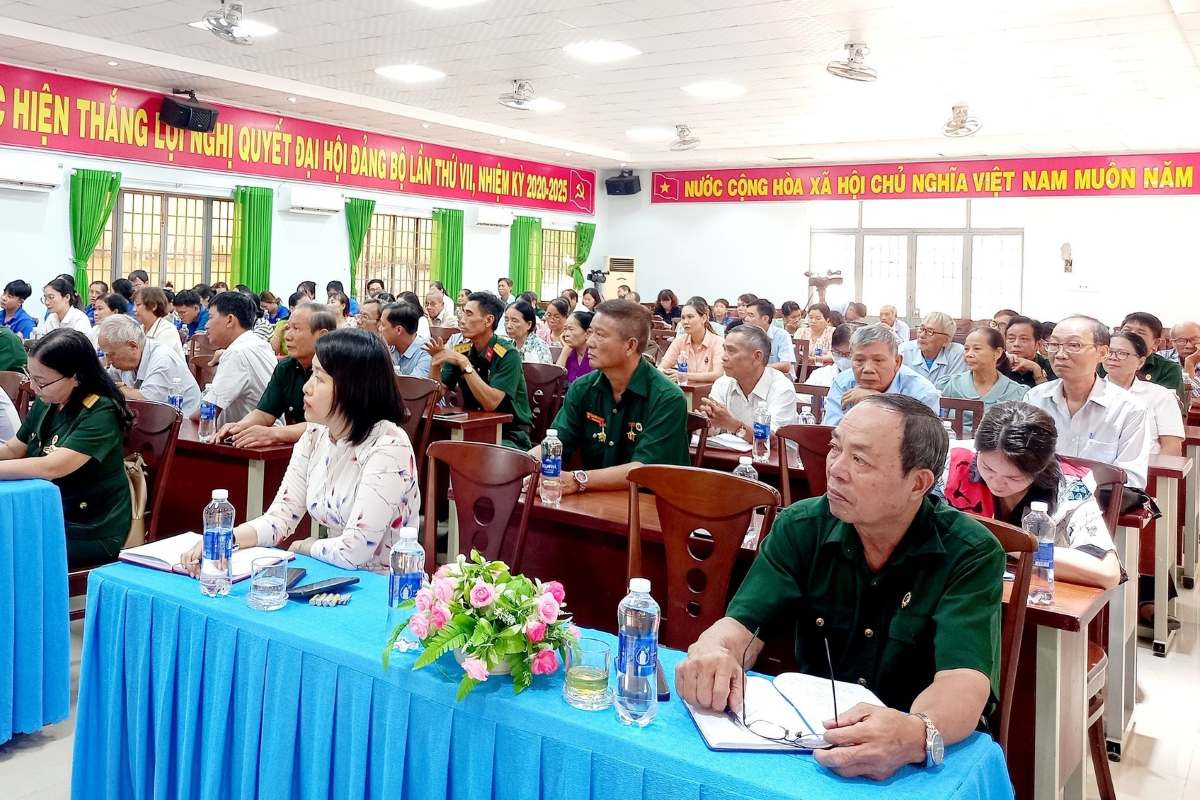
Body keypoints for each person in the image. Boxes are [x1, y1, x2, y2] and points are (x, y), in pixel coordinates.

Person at [676, 394, 1003, 781]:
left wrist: (913, 733)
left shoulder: (970, 552)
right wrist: (713, 651)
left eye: (860, 460)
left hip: (912, 762)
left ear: (918, 483)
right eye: (836, 448)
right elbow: (742, 627)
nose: (836, 469)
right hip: (813, 742)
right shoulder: (802, 527)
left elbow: (963, 681)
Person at [181, 329, 418, 573]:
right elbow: (279, 519)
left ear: (354, 386)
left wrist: (307, 545)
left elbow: (354, 550)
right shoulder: (315, 434)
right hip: (333, 575)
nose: (306, 387)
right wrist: (225, 539)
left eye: (319, 378)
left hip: (386, 587)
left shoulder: (389, 446)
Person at [941, 401, 1121, 590]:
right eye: (987, 468)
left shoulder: (1069, 488)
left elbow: (1107, 572)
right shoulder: (953, 461)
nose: (997, 482)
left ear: (1039, 470)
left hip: (1035, 594)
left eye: (1013, 477)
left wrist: (1015, 544)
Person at [0, 329, 133, 567]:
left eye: (41, 382)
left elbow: (51, 467)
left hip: (89, 528)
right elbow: (12, 450)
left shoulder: (101, 411)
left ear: (76, 377)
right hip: (47, 514)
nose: (33, 387)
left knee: (10, 550)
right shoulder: (48, 401)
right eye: (30, 377)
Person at [532, 299, 689, 492]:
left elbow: (643, 470)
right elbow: (557, 441)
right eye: (590, 332)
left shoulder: (668, 398)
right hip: (595, 501)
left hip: (651, 507)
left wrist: (577, 480)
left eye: (600, 335)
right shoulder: (583, 388)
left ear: (630, 346)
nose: (589, 342)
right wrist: (522, 467)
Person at [1024, 315, 1150, 489]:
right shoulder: (1035, 399)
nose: (1060, 354)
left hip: (1098, 508)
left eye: (1074, 345)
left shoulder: (1129, 409)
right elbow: (1022, 460)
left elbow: (1131, 479)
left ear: (1102, 353)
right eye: (1053, 345)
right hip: (1038, 501)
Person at [214, 303, 338, 447]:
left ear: (322, 335)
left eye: (296, 329)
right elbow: (264, 413)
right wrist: (239, 427)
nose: (287, 336)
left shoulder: (339, 369)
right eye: (287, 328)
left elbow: (324, 426)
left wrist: (274, 433)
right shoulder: (286, 367)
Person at [427, 292, 534, 449]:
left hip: (509, 433)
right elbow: (434, 398)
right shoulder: (462, 351)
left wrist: (464, 364)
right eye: (462, 312)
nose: (462, 320)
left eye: (469, 314)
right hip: (473, 427)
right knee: (430, 442)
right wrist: (436, 363)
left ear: (488, 320)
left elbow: (491, 403)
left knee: (475, 454)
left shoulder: (507, 354)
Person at [823, 324, 941, 426]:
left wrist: (878, 402)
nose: (868, 369)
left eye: (878, 360)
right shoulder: (842, 382)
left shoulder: (923, 393)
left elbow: (921, 445)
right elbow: (833, 433)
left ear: (897, 362)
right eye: (859, 360)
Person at [699, 325, 797, 440]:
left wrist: (733, 425)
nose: (724, 357)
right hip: (730, 455)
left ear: (757, 356)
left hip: (771, 456)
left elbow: (773, 440)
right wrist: (705, 423)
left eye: (731, 351)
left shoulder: (782, 388)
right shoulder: (723, 383)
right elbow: (715, 428)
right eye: (724, 350)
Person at [195, 290, 278, 424]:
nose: (206, 325)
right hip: (262, 434)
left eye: (210, 317)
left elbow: (208, 409)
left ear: (230, 320)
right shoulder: (257, 343)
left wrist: (184, 417)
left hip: (250, 440)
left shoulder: (237, 353)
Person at [98, 315, 202, 416]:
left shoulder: (162, 359)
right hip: (156, 423)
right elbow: (104, 382)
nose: (108, 361)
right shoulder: (124, 361)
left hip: (186, 425)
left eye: (111, 355)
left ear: (133, 346)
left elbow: (147, 404)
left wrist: (116, 389)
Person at [1103, 331, 1184, 456]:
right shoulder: (1089, 392)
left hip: (1148, 471)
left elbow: (1171, 448)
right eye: (1109, 352)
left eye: (1122, 353)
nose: (1113, 357)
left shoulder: (1161, 396)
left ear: (1140, 362)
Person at [940, 327, 1027, 423]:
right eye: (966, 349)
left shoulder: (1016, 392)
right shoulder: (951, 384)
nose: (969, 354)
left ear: (997, 353)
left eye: (977, 349)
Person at [1112, 312, 1183, 395]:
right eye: (1127, 331)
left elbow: (1167, 403)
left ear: (1156, 342)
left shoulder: (1168, 370)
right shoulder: (1106, 361)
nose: (1131, 336)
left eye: (1140, 333)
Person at [658, 297, 723, 385]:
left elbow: (717, 374)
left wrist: (684, 375)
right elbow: (662, 367)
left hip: (710, 392)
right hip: (686, 391)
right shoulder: (679, 341)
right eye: (683, 318)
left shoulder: (718, 342)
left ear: (704, 318)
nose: (685, 322)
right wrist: (664, 373)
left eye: (690, 317)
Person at [898, 312, 966, 391]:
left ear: (946, 340)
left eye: (930, 331)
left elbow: (953, 390)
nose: (922, 335)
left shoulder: (957, 353)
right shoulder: (904, 351)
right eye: (921, 329)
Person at [379, 301, 432, 377]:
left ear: (399, 330)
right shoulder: (388, 347)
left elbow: (412, 386)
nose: (379, 329)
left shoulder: (426, 353)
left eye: (383, 325)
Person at [745, 298, 795, 377]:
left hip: (780, 378)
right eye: (746, 315)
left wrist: (757, 369)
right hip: (754, 378)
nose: (746, 319)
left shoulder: (782, 335)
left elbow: (785, 366)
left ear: (765, 318)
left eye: (751, 315)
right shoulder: (745, 336)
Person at [1003, 315, 1055, 388]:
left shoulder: (1052, 367)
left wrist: (1037, 371)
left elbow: (1049, 398)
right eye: (1011, 338)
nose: (1016, 344)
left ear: (1038, 344)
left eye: (1023, 339)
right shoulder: (997, 365)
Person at [133, 286, 185, 357]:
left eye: (138, 305)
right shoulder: (140, 329)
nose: (134, 309)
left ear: (153, 306)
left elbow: (159, 359)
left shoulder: (167, 330)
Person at [804, 323, 853, 388]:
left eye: (848, 354)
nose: (843, 358)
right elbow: (803, 397)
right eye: (837, 353)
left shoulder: (867, 380)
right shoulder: (820, 375)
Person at [556, 310, 595, 384]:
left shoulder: (595, 355)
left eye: (571, 329)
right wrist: (565, 351)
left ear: (587, 333)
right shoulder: (568, 353)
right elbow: (556, 381)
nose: (566, 334)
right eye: (565, 329)